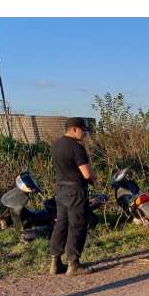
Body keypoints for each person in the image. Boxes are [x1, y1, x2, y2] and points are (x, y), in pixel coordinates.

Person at [48, 117, 97, 276]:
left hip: (60, 190)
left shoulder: (55, 145)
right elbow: (86, 173)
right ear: (75, 129)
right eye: (83, 131)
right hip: (75, 191)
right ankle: (73, 264)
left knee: (61, 225)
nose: (85, 134)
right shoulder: (77, 148)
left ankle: (55, 263)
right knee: (77, 225)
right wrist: (93, 179)